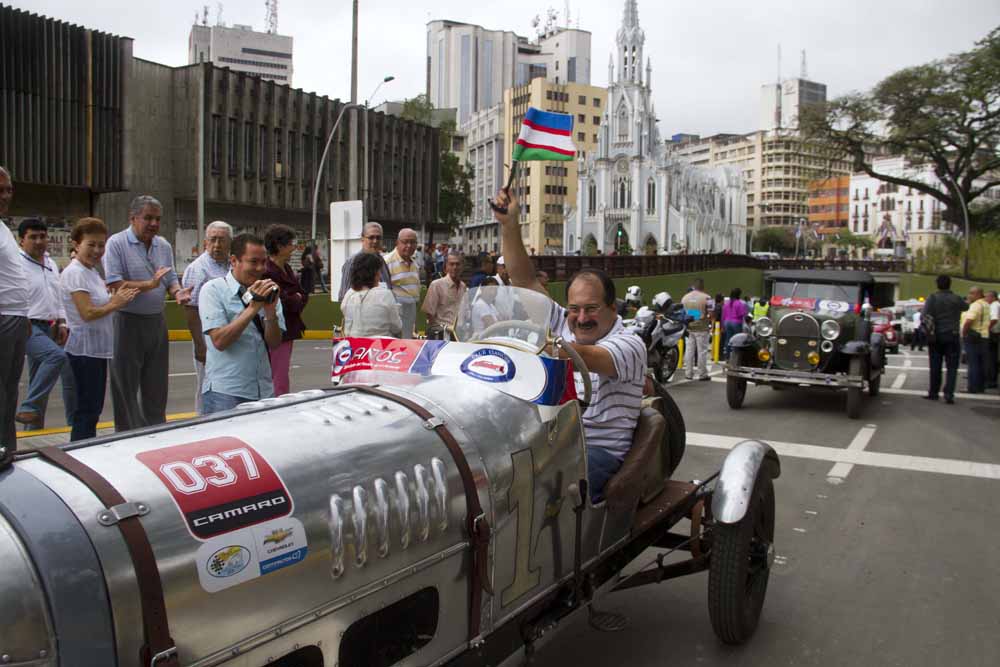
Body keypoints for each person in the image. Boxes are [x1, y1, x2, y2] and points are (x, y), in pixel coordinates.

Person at [492, 189, 646, 504]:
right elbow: (524, 283)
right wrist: (509, 226)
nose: (581, 318)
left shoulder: (629, 343)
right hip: (556, 440)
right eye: (575, 308)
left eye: (592, 309)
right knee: (492, 473)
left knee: (545, 490)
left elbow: (587, 356)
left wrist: (521, 346)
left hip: (598, 449)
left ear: (612, 308)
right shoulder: (563, 322)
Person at [103, 195, 191, 431]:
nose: (154, 224)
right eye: (148, 218)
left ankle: (156, 431)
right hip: (126, 321)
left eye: (158, 219)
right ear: (132, 218)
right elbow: (114, 283)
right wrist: (149, 285)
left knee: (157, 385)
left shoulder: (163, 245)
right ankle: (126, 435)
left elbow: (170, 278)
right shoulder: (116, 243)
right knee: (126, 386)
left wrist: (178, 292)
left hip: (156, 321)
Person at [61, 218, 140, 440]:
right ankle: (79, 452)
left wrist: (114, 300)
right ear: (76, 244)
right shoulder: (75, 273)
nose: (97, 251)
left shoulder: (91, 272)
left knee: (92, 409)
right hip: (83, 351)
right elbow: (87, 313)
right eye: (91, 245)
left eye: (101, 245)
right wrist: (116, 303)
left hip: (96, 351)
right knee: (86, 411)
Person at [198, 234, 286, 413]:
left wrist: (270, 311)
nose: (260, 268)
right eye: (253, 262)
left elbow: (274, 343)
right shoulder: (213, 290)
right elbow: (220, 341)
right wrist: (253, 308)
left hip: (263, 391)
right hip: (226, 393)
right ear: (234, 261)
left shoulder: (268, 291)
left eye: (263, 262)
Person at [14, 218, 76, 430]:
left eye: (42, 236)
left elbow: (57, 295)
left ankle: (32, 431)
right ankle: (29, 406)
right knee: (55, 357)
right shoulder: (15, 264)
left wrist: (62, 322)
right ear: (21, 241)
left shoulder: (50, 264)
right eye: (33, 237)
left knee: (39, 381)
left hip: (49, 326)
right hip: (26, 325)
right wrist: (20, 316)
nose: (39, 241)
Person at [181, 220, 232, 415]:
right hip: (208, 338)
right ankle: (203, 421)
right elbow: (191, 309)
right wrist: (199, 345)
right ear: (205, 243)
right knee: (207, 386)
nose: (217, 245)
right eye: (213, 240)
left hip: (229, 335)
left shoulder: (231, 264)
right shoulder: (198, 269)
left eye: (222, 240)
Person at [0, 166, 29, 456]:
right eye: (0, 190)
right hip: (3, 317)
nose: (6, 196)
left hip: (16, 316)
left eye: (9, 189)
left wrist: (24, 315)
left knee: (9, 393)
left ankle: (7, 452)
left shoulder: (3, 228)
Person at [264, 224, 308, 396]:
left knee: (281, 372)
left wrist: (296, 298)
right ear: (280, 246)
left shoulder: (286, 268)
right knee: (278, 375)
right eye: (290, 244)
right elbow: (283, 301)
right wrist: (296, 298)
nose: (293, 248)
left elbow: (302, 295)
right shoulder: (268, 272)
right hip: (278, 330)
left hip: (289, 328)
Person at [922, 274, 967, 404]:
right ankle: (949, 394)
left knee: (935, 365)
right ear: (950, 284)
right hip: (952, 335)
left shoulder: (932, 298)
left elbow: (924, 316)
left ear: (937, 284)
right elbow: (966, 307)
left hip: (936, 336)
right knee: (952, 367)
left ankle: (934, 392)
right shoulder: (956, 298)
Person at [341, 252, 402, 337]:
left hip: (353, 343)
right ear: (375, 273)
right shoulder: (385, 295)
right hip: (380, 343)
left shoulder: (349, 295)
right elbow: (397, 327)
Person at [338, 222, 391, 301]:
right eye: (371, 237)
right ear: (362, 239)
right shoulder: (352, 262)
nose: (375, 241)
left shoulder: (381, 261)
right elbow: (344, 296)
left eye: (378, 237)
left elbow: (388, 286)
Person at [385, 228, 421, 338]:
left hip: (410, 313)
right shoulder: (387, 262)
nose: (409, 246)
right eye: (405, 242)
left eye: (412, 242)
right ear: (397, 243)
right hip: (395, 315)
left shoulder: (414, 263)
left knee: (406, 343)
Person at [422, 252, 467, 339]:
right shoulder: (436, 285)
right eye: (451, 264)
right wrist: (437, 333)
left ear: (462, 267)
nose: (455, 267)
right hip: (442, 333)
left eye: (458, 264)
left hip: (460, 333)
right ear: (445, 267)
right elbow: (429, 313)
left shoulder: (463, 286)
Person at [682, 279, 715, 381]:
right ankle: (702, 374)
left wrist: (693, 315)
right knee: (702, 352)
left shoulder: (685, 297)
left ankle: (688, 373)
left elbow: (683, 312)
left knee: (689, 351)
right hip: (702, 328)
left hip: (689, 328)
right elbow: (711, 313)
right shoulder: (707, 298)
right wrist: (703, 316)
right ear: (702, 286)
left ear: (694, 286)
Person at [962, 286, 991, 395]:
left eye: (972, 293)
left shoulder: (975, 305)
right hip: (984, 336)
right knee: (982, 363)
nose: (969, 295)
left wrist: (964, 333)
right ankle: (981, 386)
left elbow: (969, 321)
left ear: (978, 294)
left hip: (974, 336)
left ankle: (972, 387)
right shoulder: (986, 304)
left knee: (973, 363)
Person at [721, 287, 748, 360]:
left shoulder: (726, 303)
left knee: (728, 339)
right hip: (736, 322)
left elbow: (723, 315)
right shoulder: (739, 303)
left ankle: (727, 357)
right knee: (737, 340)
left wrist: (722, 326)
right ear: (739, 294)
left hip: (727, 322)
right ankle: (736, 357)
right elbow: (742, 314)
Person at [985, 290, 999, 391]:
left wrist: (986, 328)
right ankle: (991, 379)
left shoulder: (994, 305)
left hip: (993, 333)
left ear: (993, 297)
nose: (986, 299)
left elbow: (994, 319)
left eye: (987, 297)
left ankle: (991, 380)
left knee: (991, 357)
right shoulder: (996, 304)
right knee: (992, 357)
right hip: (995, 333)